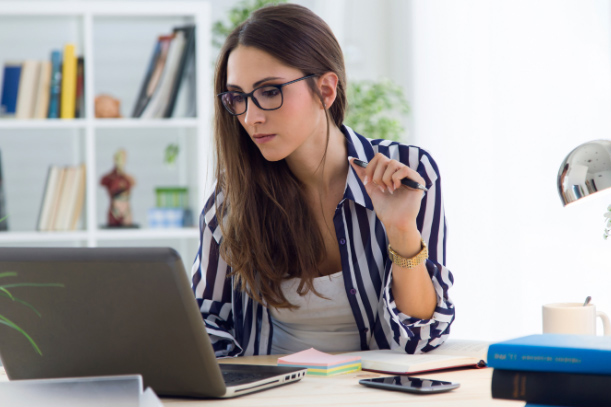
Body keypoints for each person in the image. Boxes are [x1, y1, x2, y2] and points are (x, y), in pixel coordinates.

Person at [191, 3, 454, 357]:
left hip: (373, 392)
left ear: (326, 91)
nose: (251, 117)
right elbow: (206, 323)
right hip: (271, 393)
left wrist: (402, 230)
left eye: (270, 91)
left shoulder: (408, 171)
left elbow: (421, 338)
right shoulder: (231, 199)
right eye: (237, 97)